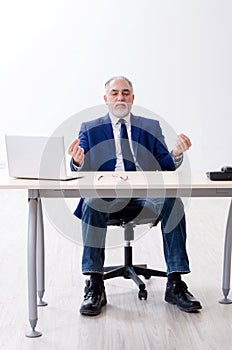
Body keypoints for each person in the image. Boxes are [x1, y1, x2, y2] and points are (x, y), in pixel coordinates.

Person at [68, 76, 202, 316]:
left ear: (132, 98)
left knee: (173, 202)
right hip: (107, 195)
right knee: (91, 203)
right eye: (115, 93)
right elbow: (83, 166)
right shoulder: (90, 127)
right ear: (106, 99)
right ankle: (95, 284)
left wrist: (176, 153)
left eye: (126, 93)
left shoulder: (149, 126)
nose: (120, 97)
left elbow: (165, 165)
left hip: (145, 195)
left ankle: (175, 282)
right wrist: (78, 161)